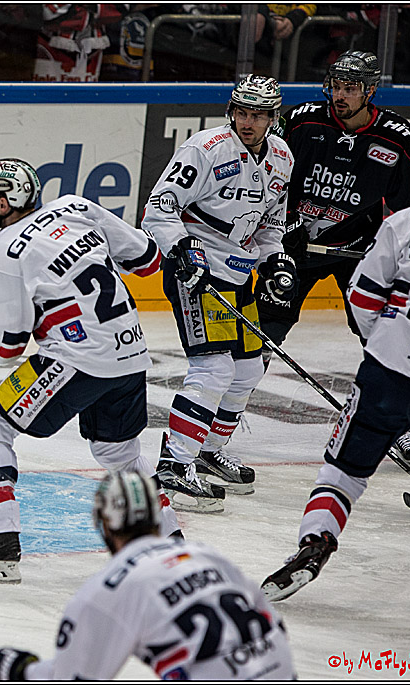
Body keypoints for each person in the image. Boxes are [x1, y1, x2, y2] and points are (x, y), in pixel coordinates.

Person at [0, 158, 182, 585]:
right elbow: (148, 259)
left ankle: (0, 545)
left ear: (6, 202)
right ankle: (171, 544)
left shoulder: (4, 250)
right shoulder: (76, 206)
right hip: (132, 351)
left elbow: (4, 345)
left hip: (79, 357)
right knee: (117, 453)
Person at [261, 144, 410, 602]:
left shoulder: (405, 223)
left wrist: (384, 345)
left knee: (343, 471)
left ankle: (315, 542)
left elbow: (361, 299)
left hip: (390, 373)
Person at [251, 50, 410, 459]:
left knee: (381, 337)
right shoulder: (302, 119)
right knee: (266, 331)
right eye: (336, 86)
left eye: (351, 88)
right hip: (293, 247)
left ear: (370, 91)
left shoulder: (396, 135)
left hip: (357, 252)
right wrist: (276, 226)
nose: (340, 96)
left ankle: (396, 424)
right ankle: (225, 410)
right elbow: (263, 174)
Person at [140, 75, 295, 510]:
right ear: (233, 111)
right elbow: (159, 207)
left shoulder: (282, 157)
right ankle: (173, 464)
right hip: (197, 268)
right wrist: (183, 249)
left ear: (271, 118)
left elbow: (272, 225)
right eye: (243, 112)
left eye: (259, 115)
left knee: (246, 371)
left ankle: (207, 452)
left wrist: (276, 261)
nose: (248, 122)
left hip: (238, 272)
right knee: (213, 370)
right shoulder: (205, 149)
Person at [0, 472, 296, 680]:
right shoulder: (206, 555)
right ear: (158, 520)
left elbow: (74, 678)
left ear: (105, 525)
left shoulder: (109, 589)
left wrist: (18, 669)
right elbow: (275, 625)